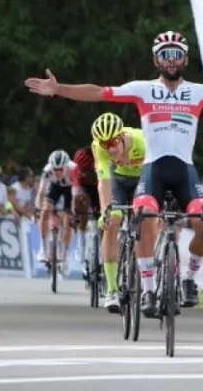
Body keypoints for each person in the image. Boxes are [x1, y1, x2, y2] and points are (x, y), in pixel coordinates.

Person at [24, 30, 203, 317]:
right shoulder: (143, 89)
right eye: (165, 55)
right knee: (142, 216)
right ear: (157, 60)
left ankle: (189, 279)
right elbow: (99, 92)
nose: (170, 60)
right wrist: (59, 89)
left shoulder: (198, 92)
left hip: (184, 171)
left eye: (176, 55)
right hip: (153, 170)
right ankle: (149, 290)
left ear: (185, 60)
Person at [90, 112, 147, 313]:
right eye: (105, 144)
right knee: (112, 221)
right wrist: (106, 211)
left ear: (122, 136)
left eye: (114, 141)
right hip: (118, 181)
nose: (111, 148)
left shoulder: (143, 141)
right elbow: (103, 181)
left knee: (147, 217)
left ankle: (150, 280)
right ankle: (113, 289)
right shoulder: (99, 148)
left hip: (143, 180)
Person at [35, 149, 78, 266]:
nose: (58, 172)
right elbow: (41, 192)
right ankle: (43, 248)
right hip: (55, 187)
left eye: (61, 169)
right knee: (44, 213)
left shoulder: (74, 169)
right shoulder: (47, 171)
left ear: (66, 167)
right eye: (55, 169)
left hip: (71, 189)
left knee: (69, 221)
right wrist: (37, 209)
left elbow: (78, 193)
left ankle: (65, 253)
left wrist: (74, 211)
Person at [72, 145, 100, 273]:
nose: (83, 173)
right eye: (81, 170)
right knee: (80, 203)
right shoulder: (77, 172)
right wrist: (76, 213)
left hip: (101, 188)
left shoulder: (100, 165)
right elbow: (76, 193)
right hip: (86, 191)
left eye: (86, 170)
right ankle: (81, 244)